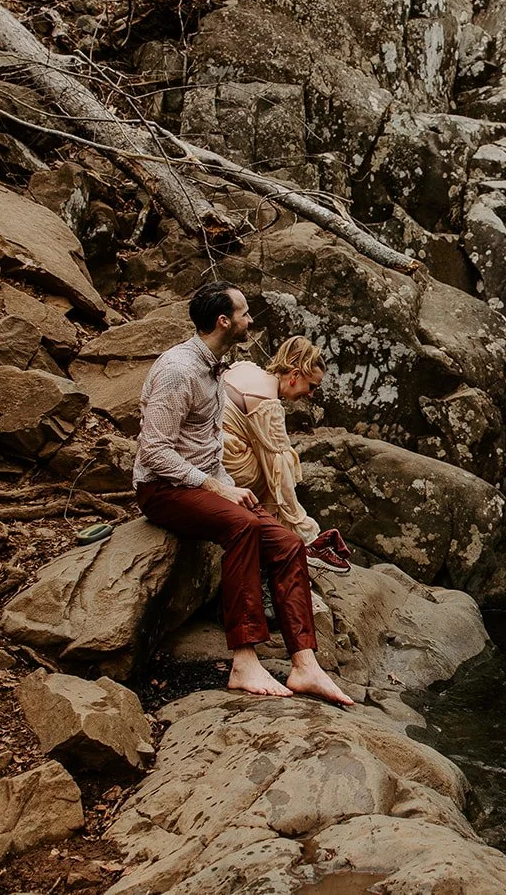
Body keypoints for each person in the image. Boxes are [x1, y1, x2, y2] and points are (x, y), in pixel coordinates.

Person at [132, 281, 353, 704]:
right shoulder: (178, 370)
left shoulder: (217, 366)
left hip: (204, 484)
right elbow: (154, 451)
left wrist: (229, 486)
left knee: (288, 544)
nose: (250, 321)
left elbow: (208, 445)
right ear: (224, 321)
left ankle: (305, 665)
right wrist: (217, 487)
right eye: (245, 313)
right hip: (162, 489)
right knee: (242, 528)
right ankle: (244, 659)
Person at [219, 335, 354, 574]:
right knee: (279, 467)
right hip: (225, 462)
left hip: (205, 449)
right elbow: (279, 472)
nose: (311, 394)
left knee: (276, 458)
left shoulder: (245, 368)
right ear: (294, 375)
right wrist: (306, 530)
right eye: (312, 386)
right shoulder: (268, 404)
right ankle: (300, 543)